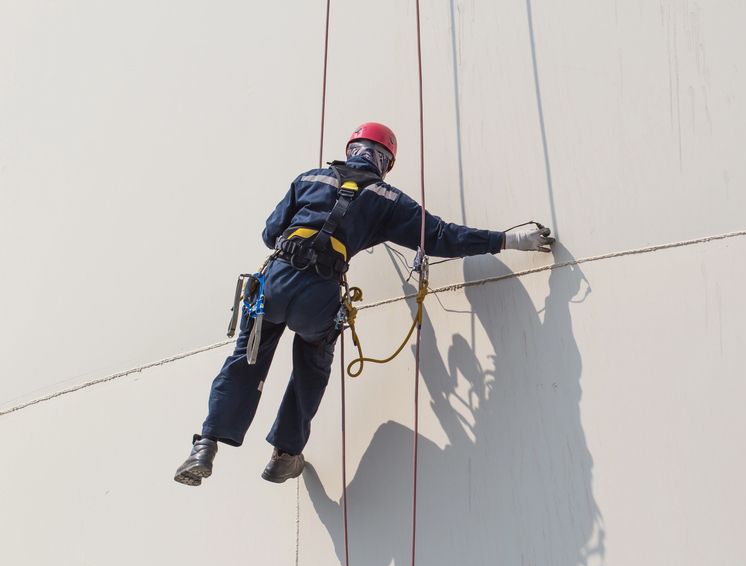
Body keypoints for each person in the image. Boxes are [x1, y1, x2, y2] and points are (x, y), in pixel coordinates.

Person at [174, 122, 554, 486]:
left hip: (274, 282)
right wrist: (511, 240)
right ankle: (284, 456)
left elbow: (270, 233)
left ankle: (205, 445)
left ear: (351, 151)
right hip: (318, 294)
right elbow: (442, 236)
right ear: (384, 162)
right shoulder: (387, 199)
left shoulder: (309, 178)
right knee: (312, 367)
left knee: (246, 359)